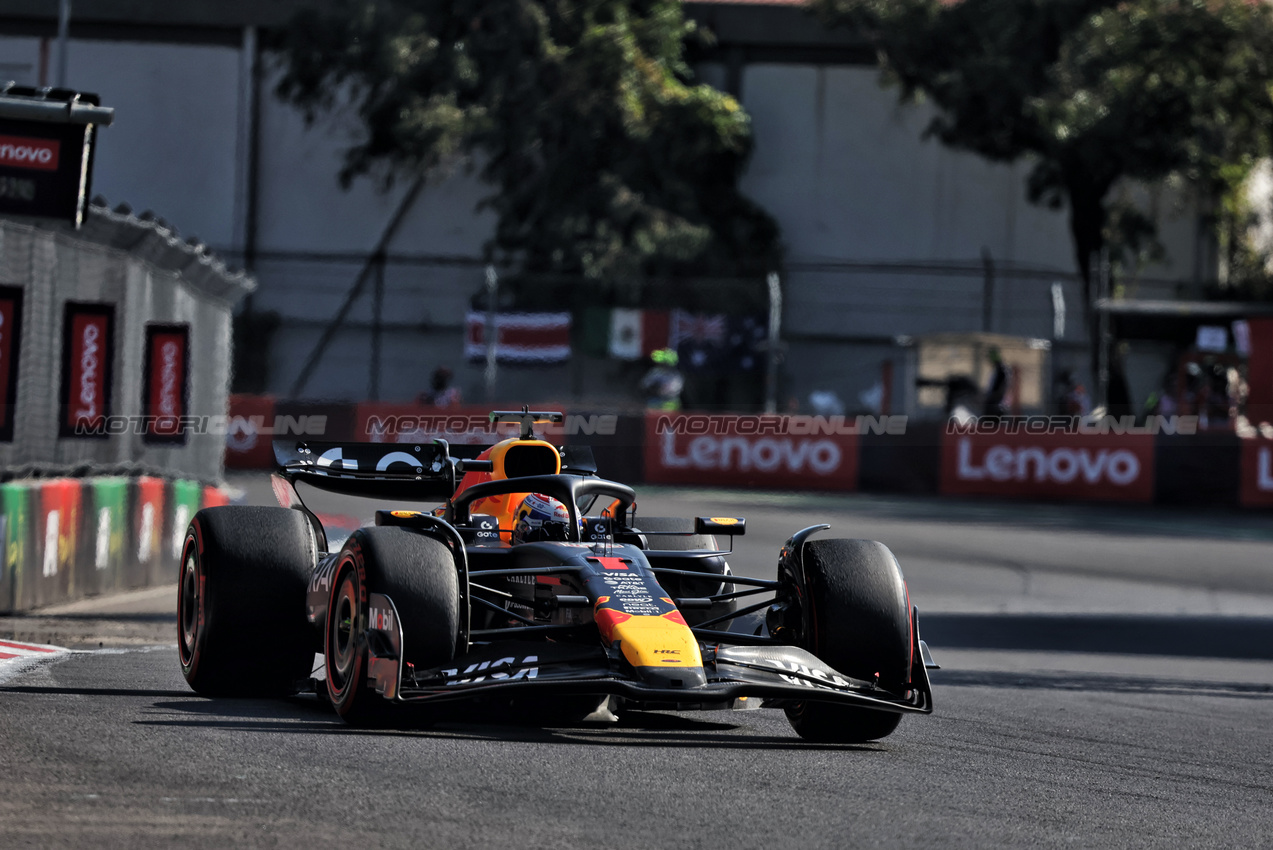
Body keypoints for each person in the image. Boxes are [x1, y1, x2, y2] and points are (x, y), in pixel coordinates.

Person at [983, 347, 1009, 416]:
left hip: (996, 404)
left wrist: (992, 398)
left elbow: (1000, 388)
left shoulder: (1000, 371)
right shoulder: (998, 370)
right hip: (995, 403)